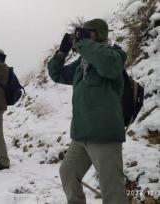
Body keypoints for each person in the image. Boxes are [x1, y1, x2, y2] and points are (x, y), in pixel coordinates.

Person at [47, 19, 128, 204]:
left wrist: (83, 43)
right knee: (67, 172)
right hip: (81, 134)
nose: (81, 37)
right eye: (80, 33)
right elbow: (57, 75)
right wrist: (62, 52)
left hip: (104, 133)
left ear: (98, 34)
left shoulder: (114, 54)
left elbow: (109, 67)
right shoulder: (82, 62)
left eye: (86, 33)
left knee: (112, 189)